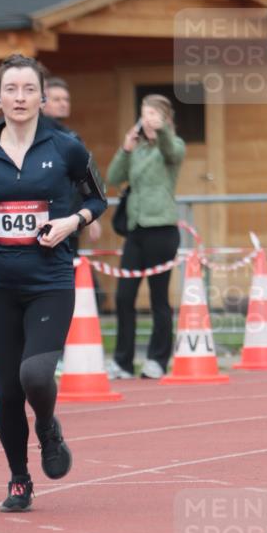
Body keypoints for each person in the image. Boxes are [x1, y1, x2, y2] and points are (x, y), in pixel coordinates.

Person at [0, 53, 107, 512]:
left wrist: (72, 221)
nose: (19, 97)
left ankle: (49, 426)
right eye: (10, 89)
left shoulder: (67, 147)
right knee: (9, 392)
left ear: (41, 96)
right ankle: (19, 479)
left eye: (28, 89)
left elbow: (99, 198)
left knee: (35, 374)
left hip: (50, 280)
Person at [106, 95, 185, 381]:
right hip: (136, 230)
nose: (147, 118)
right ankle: (123, 362)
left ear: (164, 118)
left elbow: (172, 153)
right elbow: (114, 178)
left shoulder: (172, 145)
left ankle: (157, 359)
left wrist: (162, 130)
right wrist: (125, 150)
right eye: (143, 112)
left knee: (158, 298)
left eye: (152, 113)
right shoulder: (137, 150)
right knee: (124, 296)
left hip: (162, 229)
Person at [42, 76, 102, 253]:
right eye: (57, 99)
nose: (63, 104)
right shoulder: (39, 135)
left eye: (66, 99)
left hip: (69, 222)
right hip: (46, 220)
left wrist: (88, 214)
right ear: (42, 102)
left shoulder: (70, 137)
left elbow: (81, 179)